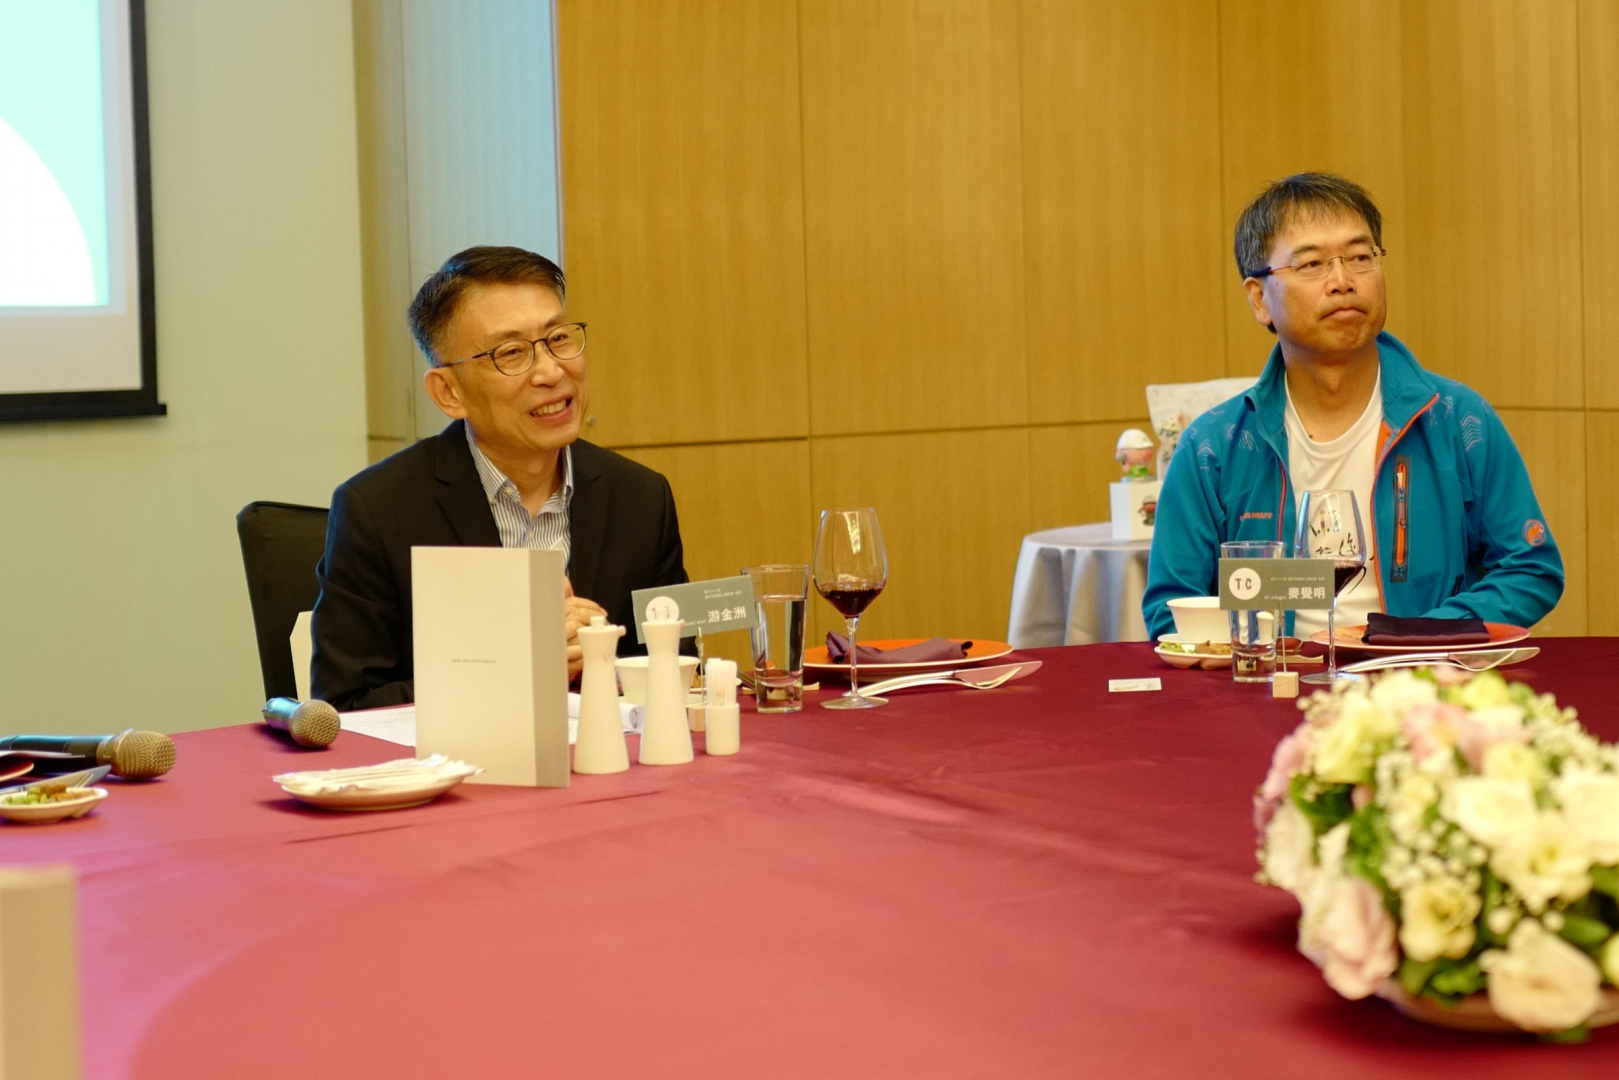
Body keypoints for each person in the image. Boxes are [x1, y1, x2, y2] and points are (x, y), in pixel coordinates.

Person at [1143, 173, 1563, 641]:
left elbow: (1530, 569)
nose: (1342, 281)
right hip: (1271, 677)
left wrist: (1411, 637)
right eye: (1311, 264)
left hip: (1420, 671)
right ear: (1260, 299)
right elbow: (1170, 608)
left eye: (1361, 258)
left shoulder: (1458, 421)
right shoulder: (1213, 447)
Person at [312, 246, 688, 710]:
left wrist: (600, 660)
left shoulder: (641, 497)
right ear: (448, 393)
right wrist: (517, 667)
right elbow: (349, 704)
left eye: (558, 338)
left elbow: (675, 665)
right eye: (511, 353)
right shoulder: (379, 510)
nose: (551, 371)